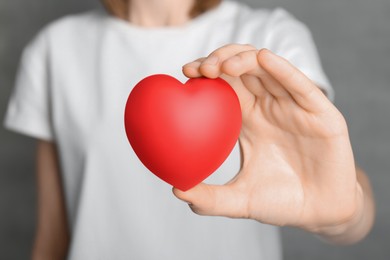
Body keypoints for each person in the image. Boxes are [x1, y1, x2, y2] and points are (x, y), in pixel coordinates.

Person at [4, 0, 375, 259]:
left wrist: (345, 215)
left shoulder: (269, 39)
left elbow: (339, 194)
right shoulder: (55, 49)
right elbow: (52, 238)